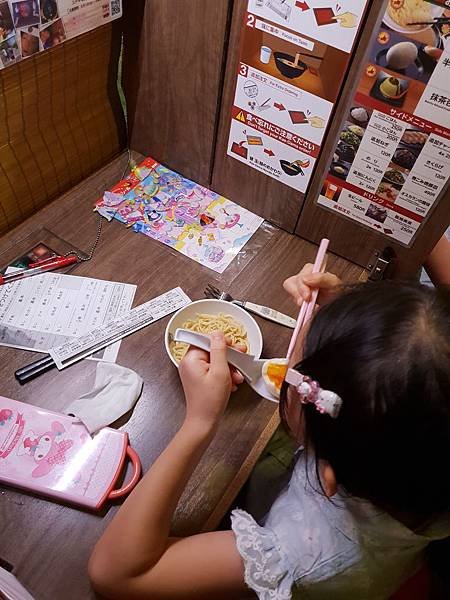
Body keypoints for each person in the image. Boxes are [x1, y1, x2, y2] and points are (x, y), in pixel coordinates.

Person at [89, 273, 450, 599]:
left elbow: (118, 574)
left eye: (297, 376)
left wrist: (199, 421)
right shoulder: (420, 458)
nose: (293, 360)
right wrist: (349, 323)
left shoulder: (305, 548)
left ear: (328, 475)